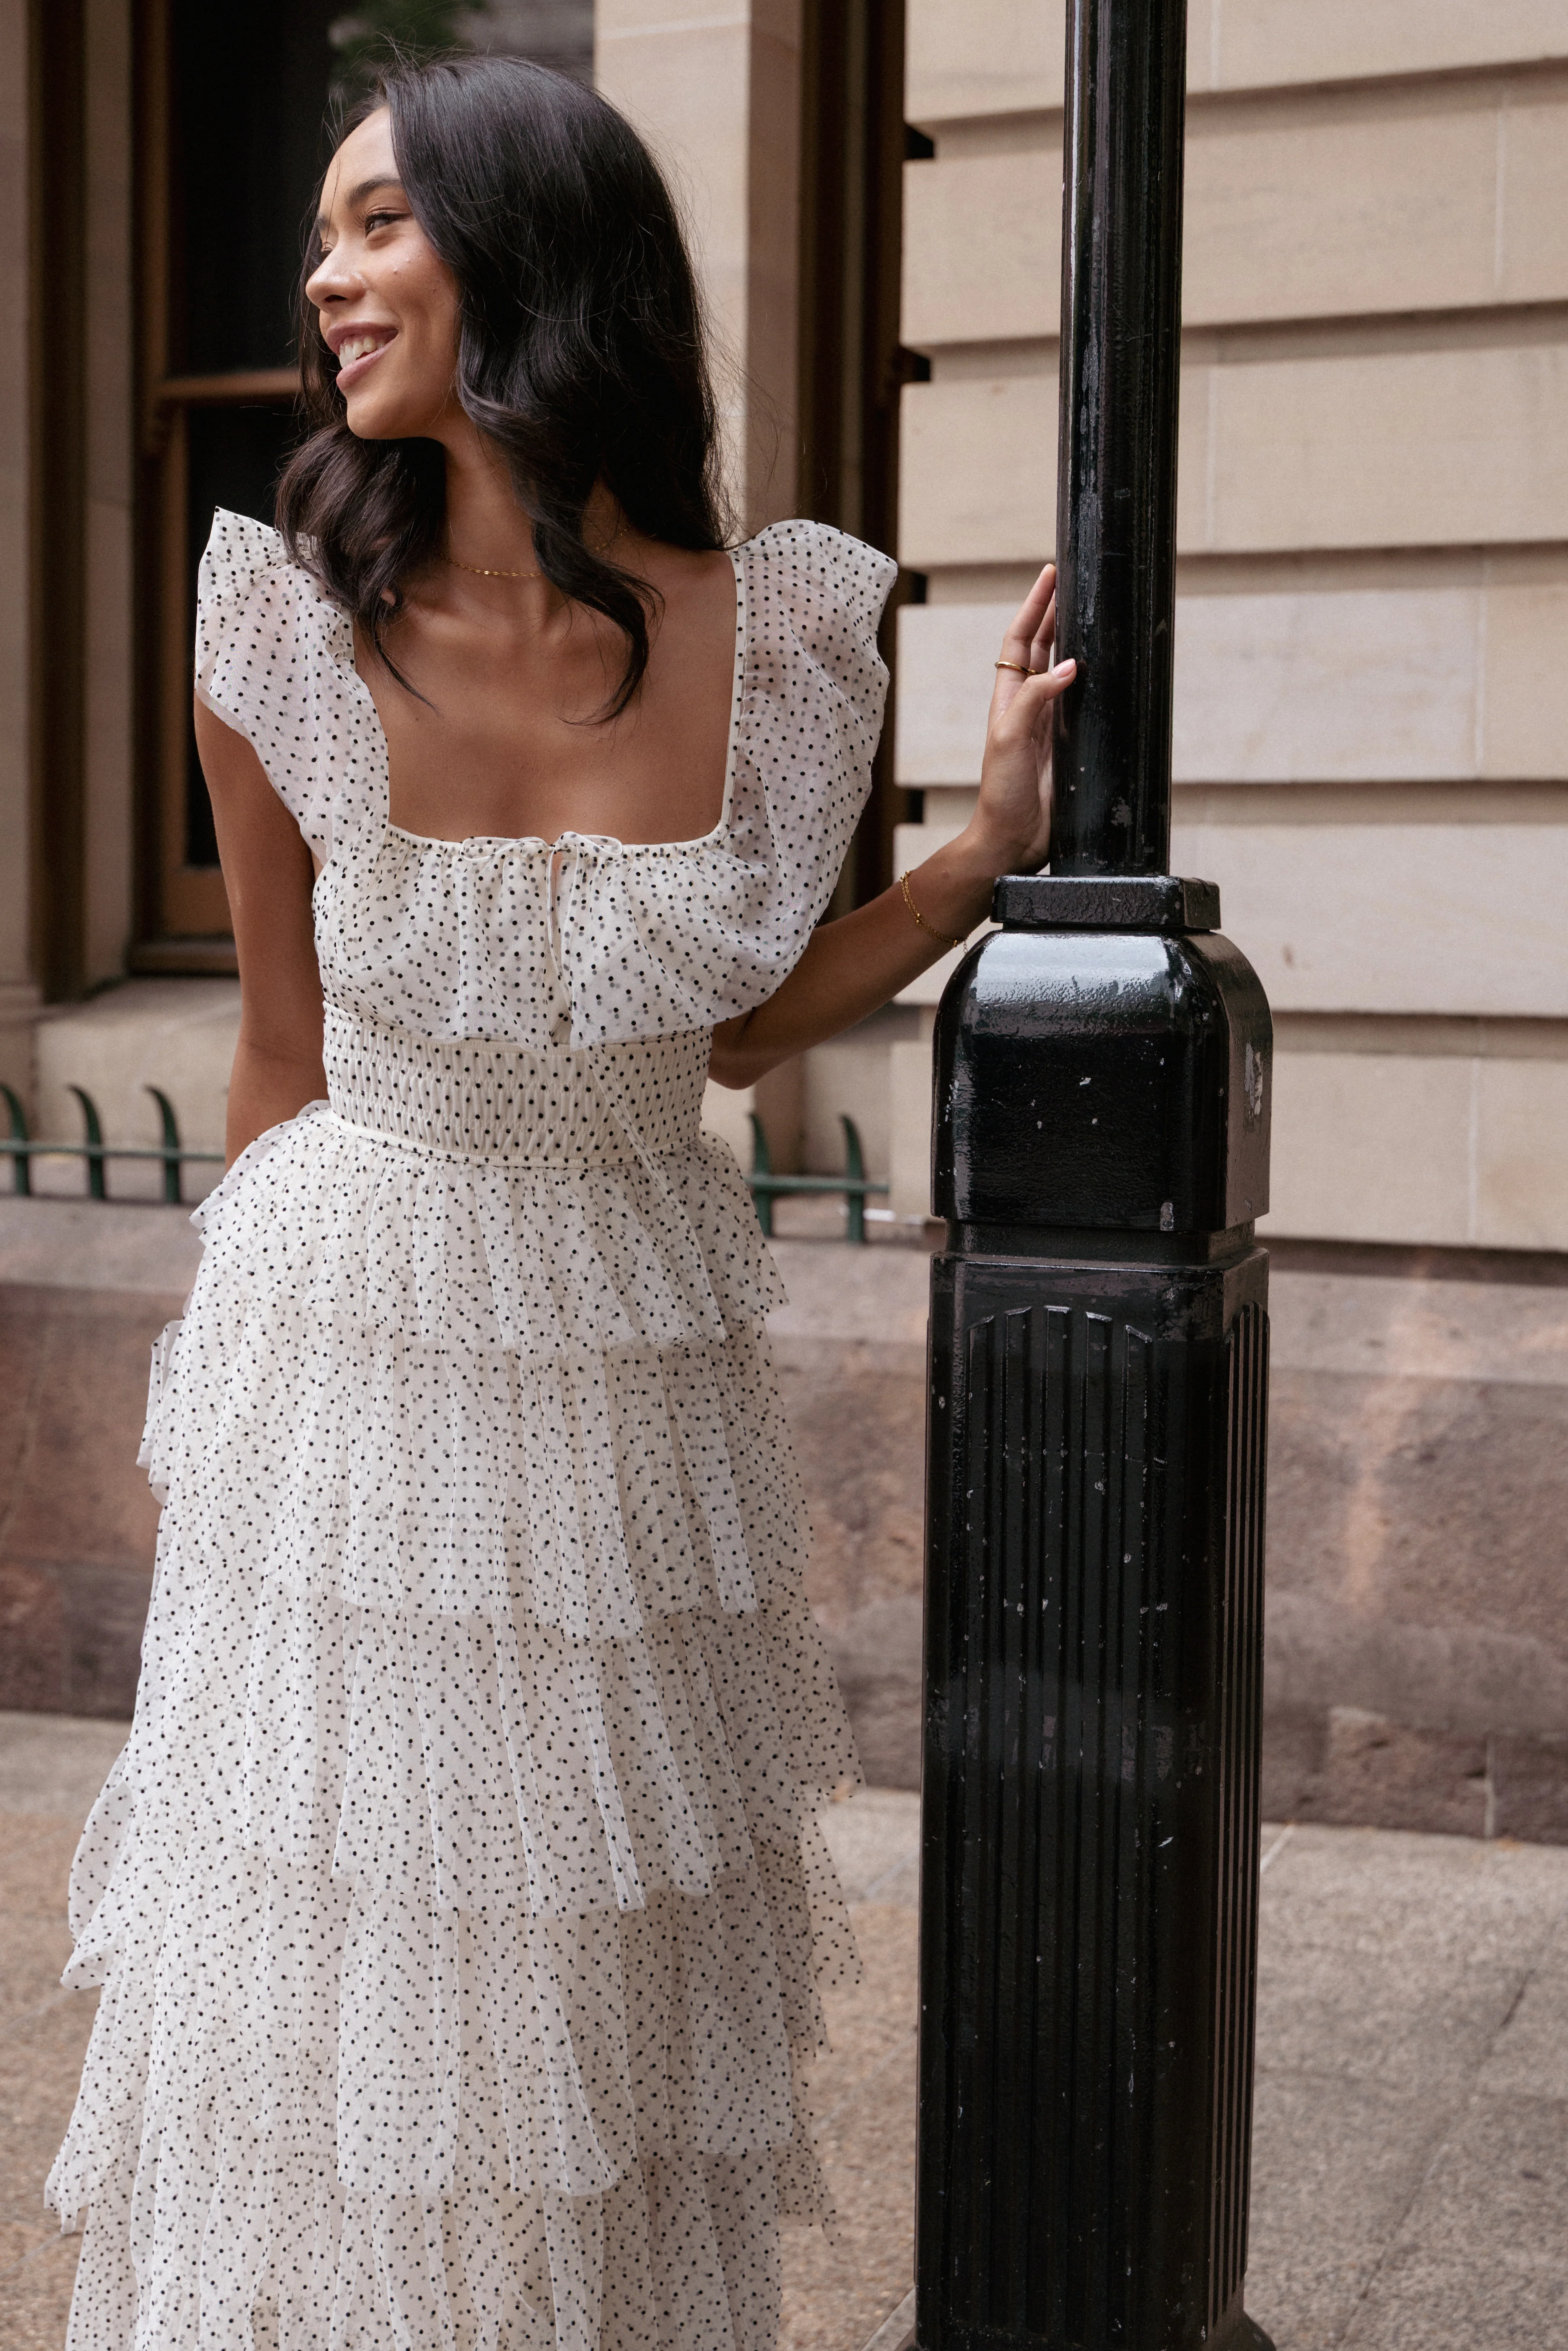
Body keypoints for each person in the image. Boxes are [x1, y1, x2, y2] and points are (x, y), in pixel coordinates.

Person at [46, 53, 1075, 2351]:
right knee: (348, 1960)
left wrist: (987, 855)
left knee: (579, 1965)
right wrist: (225, 1419)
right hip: (350, 1345)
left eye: (376, 221)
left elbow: (725, 1025)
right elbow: (285, 1056)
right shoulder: (279, 632)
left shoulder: (782, 635)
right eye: (318, 229)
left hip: (624, 1350)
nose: (323, 276)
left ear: (528, 250)